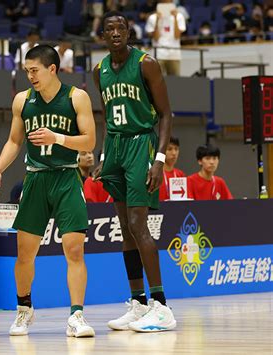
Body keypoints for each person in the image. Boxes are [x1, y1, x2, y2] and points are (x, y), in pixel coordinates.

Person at [0, 44, 96, 338]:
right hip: (35, 179)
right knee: (25, 253)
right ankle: (24, 310)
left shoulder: (77, 98)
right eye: (26, 71)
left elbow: (89, 141)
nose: (30, 76)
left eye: (34, 70)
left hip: (66, 178)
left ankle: (76, 316)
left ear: (52, 69)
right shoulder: (22, 101)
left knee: (74, 248)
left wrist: (58, 137)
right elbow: (14, 141)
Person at [95, 11, 176, 332]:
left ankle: (161, 305)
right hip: (114, 147)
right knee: (124, 229)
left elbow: (167, 114)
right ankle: (138, 302)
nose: (115, 33)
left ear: (129, 32)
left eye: (121, 28)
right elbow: (106, 118)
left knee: (138, 224)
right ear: (102, 36)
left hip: (141, 145)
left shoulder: (147, 64)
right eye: (109, 29)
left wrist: (158, 159)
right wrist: (103, 155)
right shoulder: (99, 70)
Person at [145, 0, 186, 76]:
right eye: (163, 2)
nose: (166, 4)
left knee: (176, 82)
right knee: (157, 82)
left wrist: (175, 18)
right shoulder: (152, 18)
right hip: (158, 55)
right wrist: (157, 20)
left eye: (168, 3)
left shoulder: (179, 16)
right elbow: (156, 38)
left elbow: (177, 36)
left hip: (174, 54)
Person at [159, 136, 185, 201]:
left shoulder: (180, 175)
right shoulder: (155, 174)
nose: (174, 153)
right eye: (169, 149)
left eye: (176, 149)